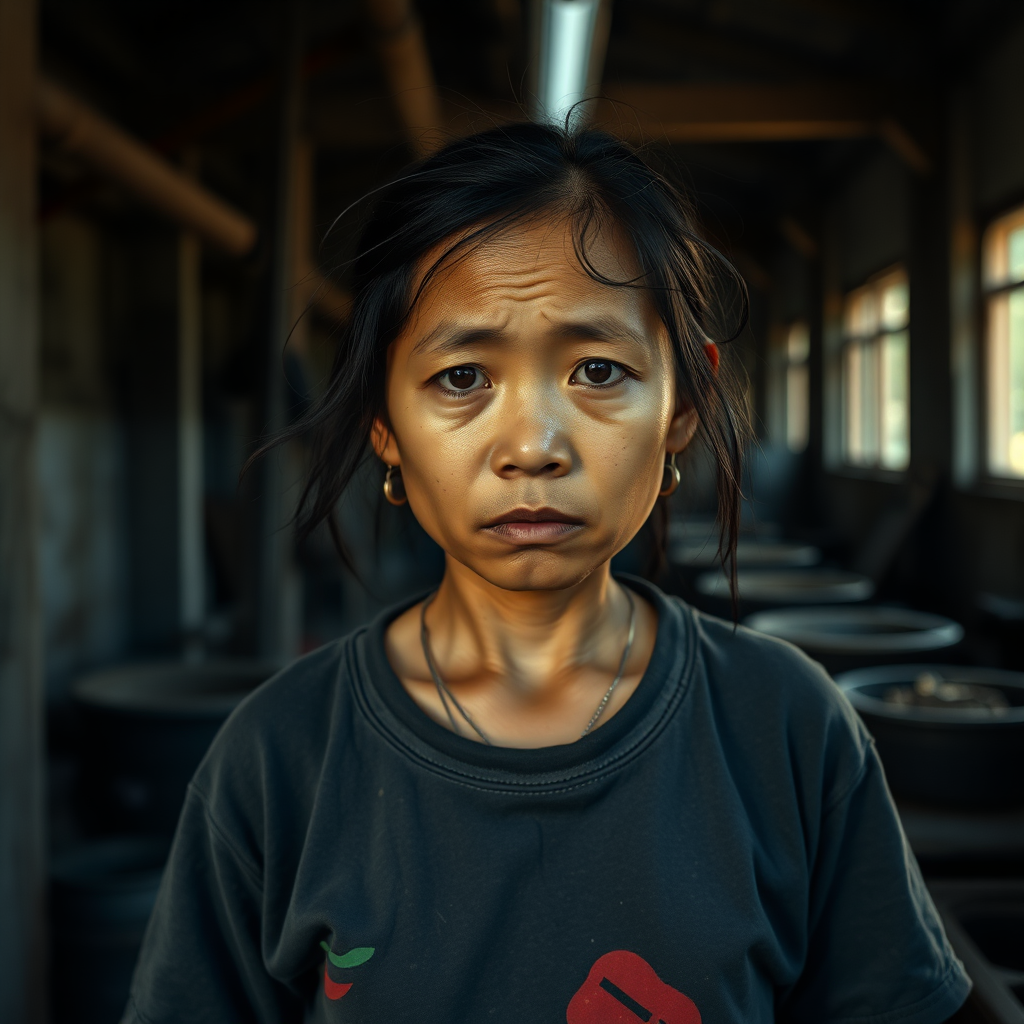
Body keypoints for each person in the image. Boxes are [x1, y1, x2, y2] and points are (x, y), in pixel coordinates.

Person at [122, 123, 971, 1024]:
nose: (532, 446)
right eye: (460, 379)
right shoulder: (277, 761)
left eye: (597, 370)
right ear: (381, 418)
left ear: (682, 399)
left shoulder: (788, 729)